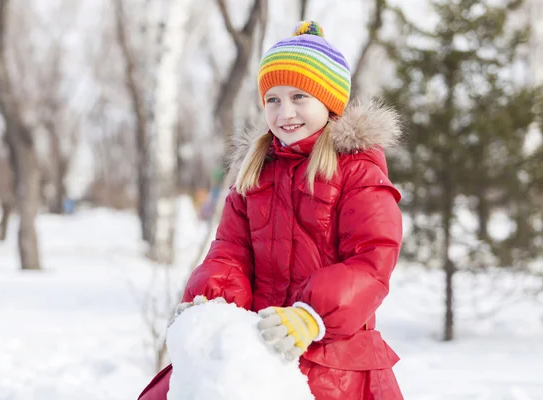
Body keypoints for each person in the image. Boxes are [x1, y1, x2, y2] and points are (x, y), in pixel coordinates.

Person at [138, 20, 404, 400]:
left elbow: (371, 261)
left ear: (329, 102)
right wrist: (209, 304)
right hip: (257, 342)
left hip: (332, 352)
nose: (284, 113)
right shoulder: (255, 173)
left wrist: (311, 315)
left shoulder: (357, 172)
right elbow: (230, 252)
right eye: (273, 100)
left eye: (299, 97)